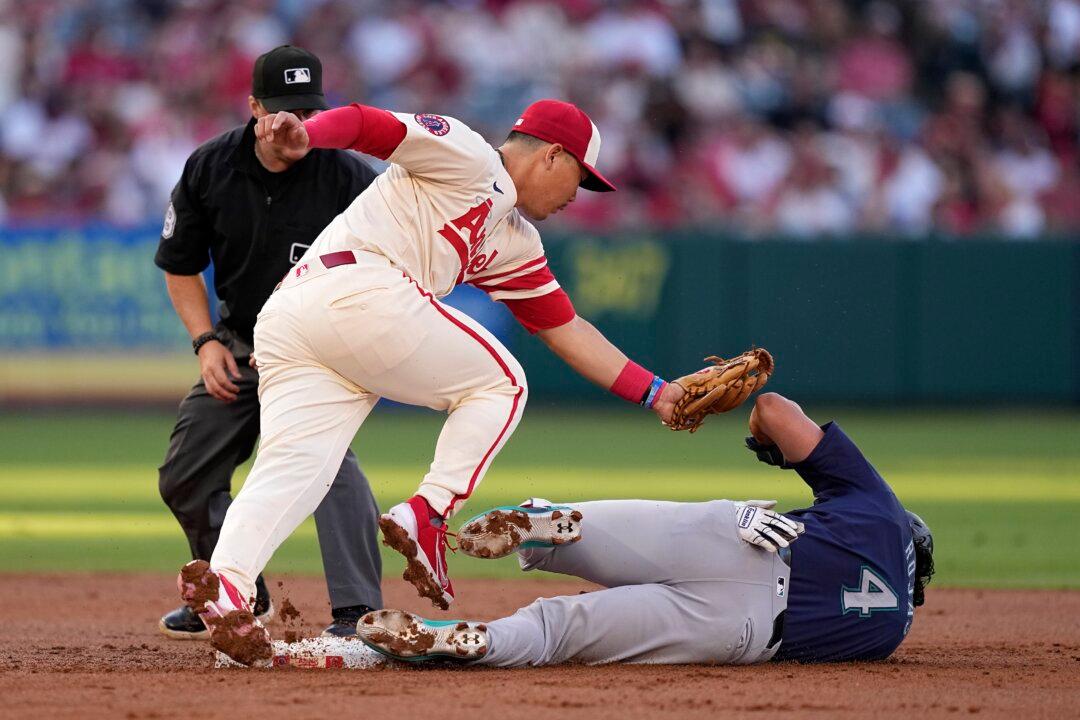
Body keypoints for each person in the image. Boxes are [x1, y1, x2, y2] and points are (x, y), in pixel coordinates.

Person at [174, 97, 718, 666]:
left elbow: (566, 330)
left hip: (293, 318)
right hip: (357, 289)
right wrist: (310, 134)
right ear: (553, 155)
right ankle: (428, 512)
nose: (576, 197)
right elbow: (369, 125)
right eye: (580, 179)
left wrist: (658, 393)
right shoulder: (468, 154)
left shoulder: (514, 240)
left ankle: (227, 586)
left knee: (295, 468)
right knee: (503, 384)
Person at [357, 392, 935, 666]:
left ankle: (538, 523)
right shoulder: (888, 637)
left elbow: (774, 410)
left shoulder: (882, 512)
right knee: (560, 633)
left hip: (744, 541)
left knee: (577, 528)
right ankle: (476, 642)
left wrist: (768, 446)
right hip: (741, 632)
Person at [155, 45, 383, 640]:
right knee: (186, 473)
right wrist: (206, 341)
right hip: (239, 342)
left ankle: (359, 613)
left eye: (309, 111)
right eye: (284, 110)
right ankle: (236, 592)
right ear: (255, 107)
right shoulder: (211, 167)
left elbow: (392, 269)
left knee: (327, 462)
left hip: (319, 350)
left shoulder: (350, 177)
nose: (298, 123)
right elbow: (180, 263)